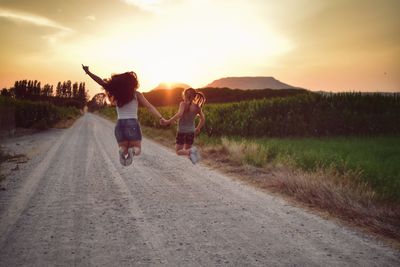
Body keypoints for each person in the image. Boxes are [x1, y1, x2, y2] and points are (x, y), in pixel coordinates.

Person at [82, 64, 165, 166]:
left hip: (120, 124)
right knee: (137, 148)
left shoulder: (116, 93)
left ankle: (123, 152)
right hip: (132, 123)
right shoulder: (136, 94)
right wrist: (161, 117)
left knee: (123, 148)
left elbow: (100, 81)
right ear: (133, 83)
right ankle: (132, 151)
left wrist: (88, 72)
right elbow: (149, 106)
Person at [161, 88, 206, 164]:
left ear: (185, 95)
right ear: (194, 96)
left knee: (178, 151)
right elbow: (203, 119)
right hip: (191, 131)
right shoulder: (197, 107)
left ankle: (192, 152)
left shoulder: (183, 104)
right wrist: (198, 128)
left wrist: (168, 121)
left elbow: (179, 114)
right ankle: (192, 154)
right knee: (187, 149)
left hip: (182, 131)